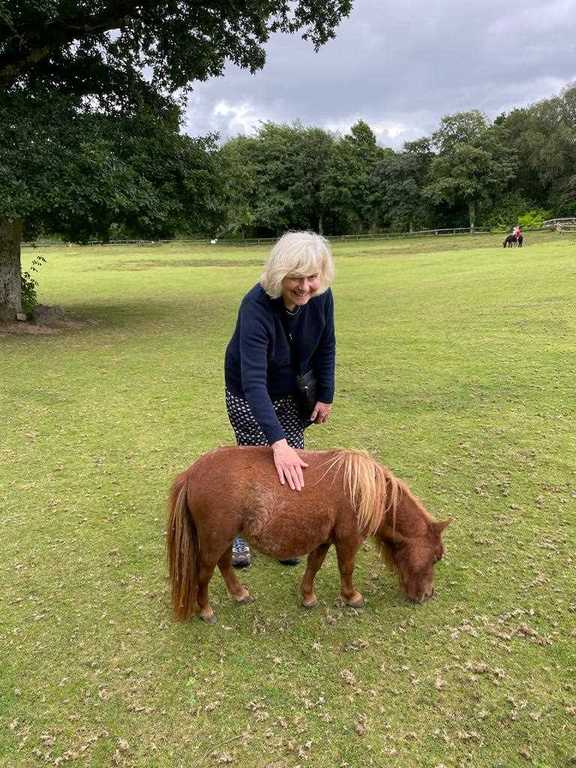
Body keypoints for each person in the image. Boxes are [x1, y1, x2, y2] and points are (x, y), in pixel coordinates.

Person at [224, 231, 336, 568]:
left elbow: (327, 345)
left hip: (293, 391)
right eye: (296, 278)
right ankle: (238, 534)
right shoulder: (255, 307)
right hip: (249, 393)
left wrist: (326, 395)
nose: (305, 287)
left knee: (293, 461)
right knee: (257, 464)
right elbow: (253, 381)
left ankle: (283, 534)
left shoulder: (321, 298)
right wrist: (277, 442)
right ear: (279, 276)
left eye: (312, 277)